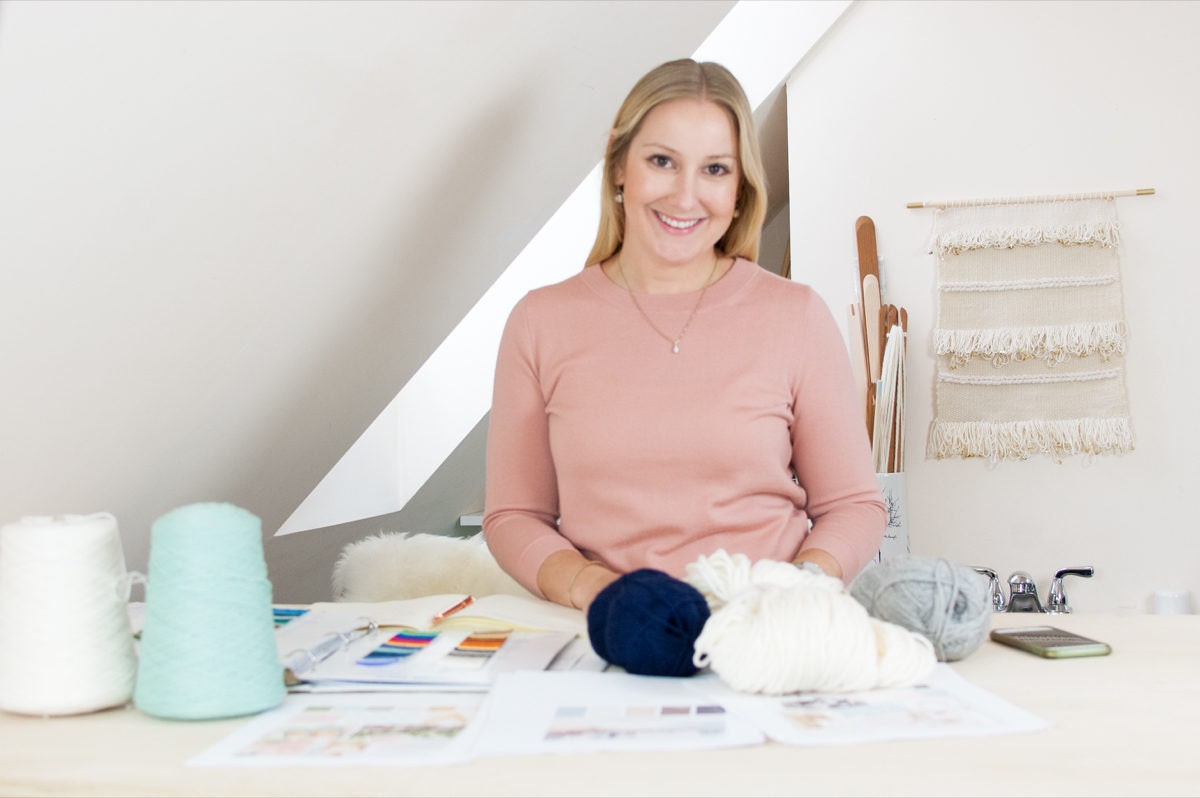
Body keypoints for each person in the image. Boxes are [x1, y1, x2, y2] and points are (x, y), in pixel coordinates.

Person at [482, 58, 885, 622]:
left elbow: (854, 506)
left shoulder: (797, 316)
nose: (686, 196)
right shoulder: (539, 321)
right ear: (620, 165)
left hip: (763, 634)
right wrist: (595, 589)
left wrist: (794, 590)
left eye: (716, 169)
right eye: (662, 161)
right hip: (608, 635)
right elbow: (514, 515)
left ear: (740, 188)